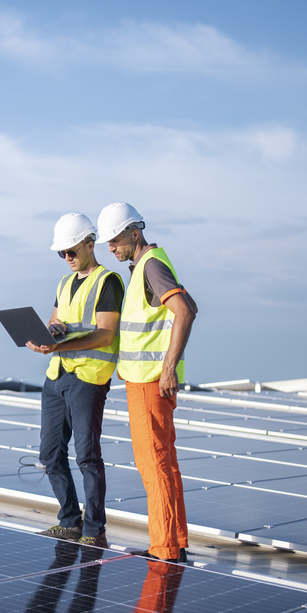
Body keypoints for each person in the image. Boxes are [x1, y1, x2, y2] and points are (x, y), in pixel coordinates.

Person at [97, 202, 196, 563]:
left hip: (151, 383)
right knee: (160, 463)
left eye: (114, 239)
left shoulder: (151, 266)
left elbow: (185, 310)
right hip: (143, 382)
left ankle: (166, 548)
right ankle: (171, 542)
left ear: (134, 232)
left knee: (155, 464)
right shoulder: (143, 268)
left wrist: (169, 368)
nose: (110, 247)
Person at [26, 213, 123, 548]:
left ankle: (94, 531)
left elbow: (106, 333)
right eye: (61, 254)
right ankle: (69, 522)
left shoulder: (108, 281)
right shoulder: (64, 283)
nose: (67, 258)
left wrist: (59, 343)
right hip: (57, 376)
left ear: (89, 243)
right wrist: (47, 334)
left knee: (86, 457)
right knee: (50, 454)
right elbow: (57, 320)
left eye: (71, 251)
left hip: (88, 379)